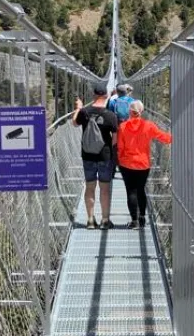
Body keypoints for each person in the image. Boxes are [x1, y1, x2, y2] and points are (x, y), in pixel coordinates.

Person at [116, 100, 172, 229]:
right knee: (141, 189)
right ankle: (142, 217)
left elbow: (120, 147)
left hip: (127, 164)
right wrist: (175, 137)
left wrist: (121, 160)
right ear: (141, 112)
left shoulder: (123, 127)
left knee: (131, 191)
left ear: (130, 111)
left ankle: (134, 221)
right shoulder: (148, 126)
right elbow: (163, 137)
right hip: (143, 164)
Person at [73, 85, 119, 230]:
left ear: (93, 95)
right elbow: (115, 140)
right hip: (105, 156)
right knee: (104, 189)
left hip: (88, 155)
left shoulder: (84, 112)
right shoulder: (111, 115)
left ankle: (90, 221)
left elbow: (74, 123)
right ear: (106, 96)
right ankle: (105, 221)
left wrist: (78, 108)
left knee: (90, 187)